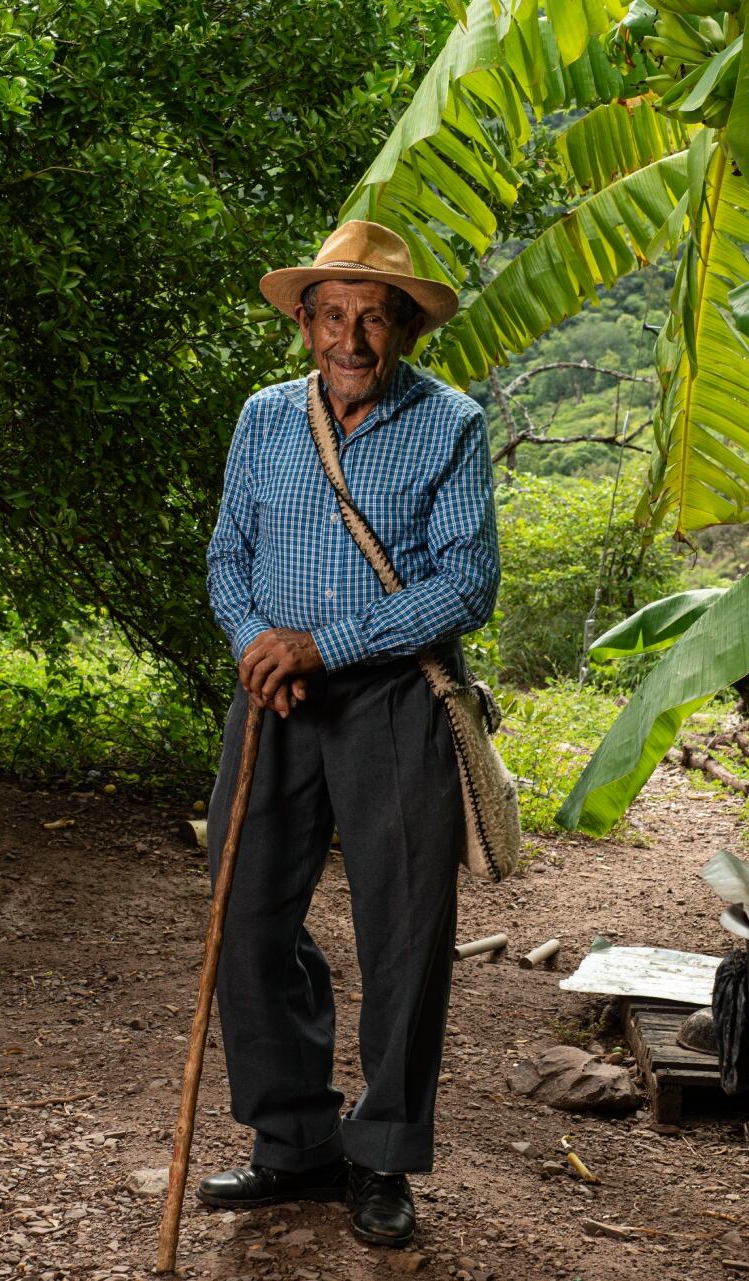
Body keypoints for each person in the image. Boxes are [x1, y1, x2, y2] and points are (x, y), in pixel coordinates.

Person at [198, 220, 499, 1248]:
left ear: (405, 327)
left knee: (405, 933)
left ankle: (383, 1160)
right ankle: (294, 1144)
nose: (351, 338)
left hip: (391, 702)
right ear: (305, 325)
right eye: (333, 316)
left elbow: (467, 582)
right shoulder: (265, 419)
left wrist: (321, 645)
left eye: (374, 317)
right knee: (246, 917)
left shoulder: (452, 422)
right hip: (273, 698)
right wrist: (256, 645)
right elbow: (227, 556)